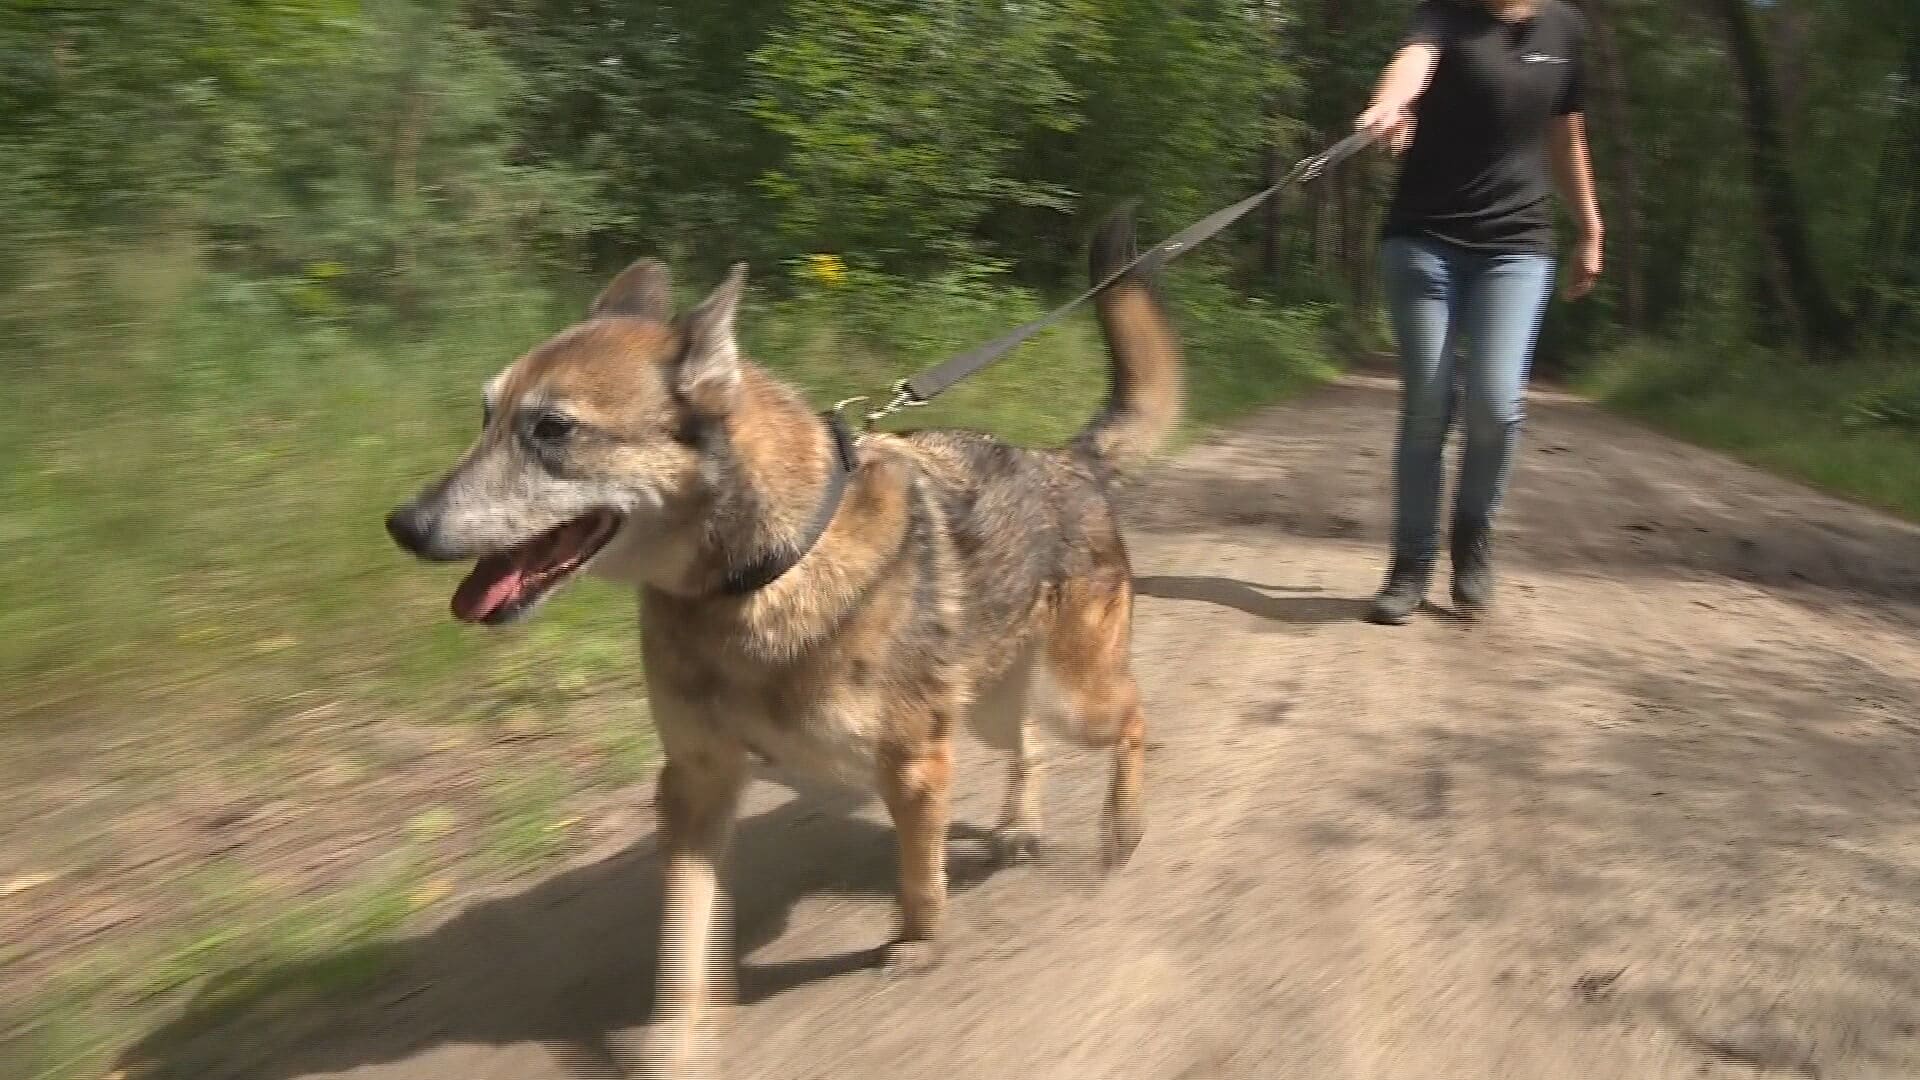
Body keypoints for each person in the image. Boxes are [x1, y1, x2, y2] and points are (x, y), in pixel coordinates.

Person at [1355, 0, 1603, 624]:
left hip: (1516, 246)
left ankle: (1473, 536)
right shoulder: (1445, 13)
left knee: (1495, 401)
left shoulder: (1564, 27)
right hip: (1423, 241)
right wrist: (1392, 104)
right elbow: (1413, 60)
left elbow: (1567, 139)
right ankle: (1410, 564)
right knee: (1428, 404)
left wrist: (1591, 228)